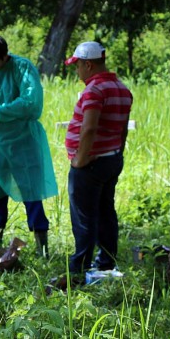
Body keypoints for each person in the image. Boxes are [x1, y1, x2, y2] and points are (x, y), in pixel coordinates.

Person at [0, 35, 58, 257]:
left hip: (23, 141)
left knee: (32, 193)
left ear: (5, 57)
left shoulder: (22, 68)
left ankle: (42, 249)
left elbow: (31, 102)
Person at [61, 41, 133, 287]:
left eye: (78, 66)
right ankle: (106, 262)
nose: (77, 71)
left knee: (83, 216)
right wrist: (117, 153)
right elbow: (122, 129)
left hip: (90, 164)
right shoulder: (121, 88)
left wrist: (80, 158)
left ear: (88, 64)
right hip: (111, 159)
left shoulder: (94, 90)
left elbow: (89, 127)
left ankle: (79, 269)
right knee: (105, 211)